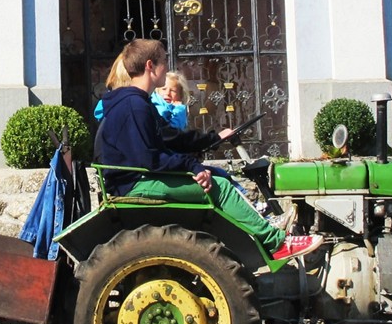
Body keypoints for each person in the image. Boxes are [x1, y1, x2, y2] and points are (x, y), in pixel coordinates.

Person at [96, 38, 321, 261]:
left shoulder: (134, 102)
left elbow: (168, 141)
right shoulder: (135, 106)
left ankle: (261, 231)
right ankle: (276, 243)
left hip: (133, 179)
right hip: (134, 184)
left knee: (217, 176)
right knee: (220, 186)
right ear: (150, 66)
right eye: (163, 60)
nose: (167, 66)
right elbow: (149, 159)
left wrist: (205, 146)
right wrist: (191, 166)